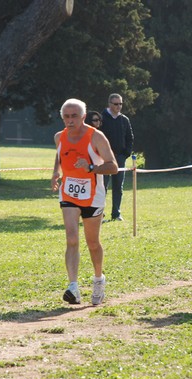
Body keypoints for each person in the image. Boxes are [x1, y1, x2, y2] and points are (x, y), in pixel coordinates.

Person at [51, 99, 118, 305]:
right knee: (71, 238)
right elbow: (60, 155)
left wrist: (90, 167)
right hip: (69, 192)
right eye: (66, 117)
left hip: (92, 195)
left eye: (74, 116)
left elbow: (113, 167)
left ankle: (98, 279)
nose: (70, 121)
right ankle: (73, 286)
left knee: (92, 243)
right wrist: (56, 172)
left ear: (83, 116)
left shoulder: (96, 137)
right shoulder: (58, 137)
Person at [101, 93, 134, 221]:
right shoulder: (102, 118)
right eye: (116, 104)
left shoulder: (124, 119)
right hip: (104, 159)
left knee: (118, 187)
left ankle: (116, 214)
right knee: (102, 186)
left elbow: (130, 138)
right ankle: (100, 214)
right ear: (109, 104)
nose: (119, 106)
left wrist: (126, 153)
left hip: (120, 159)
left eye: (120, 104)